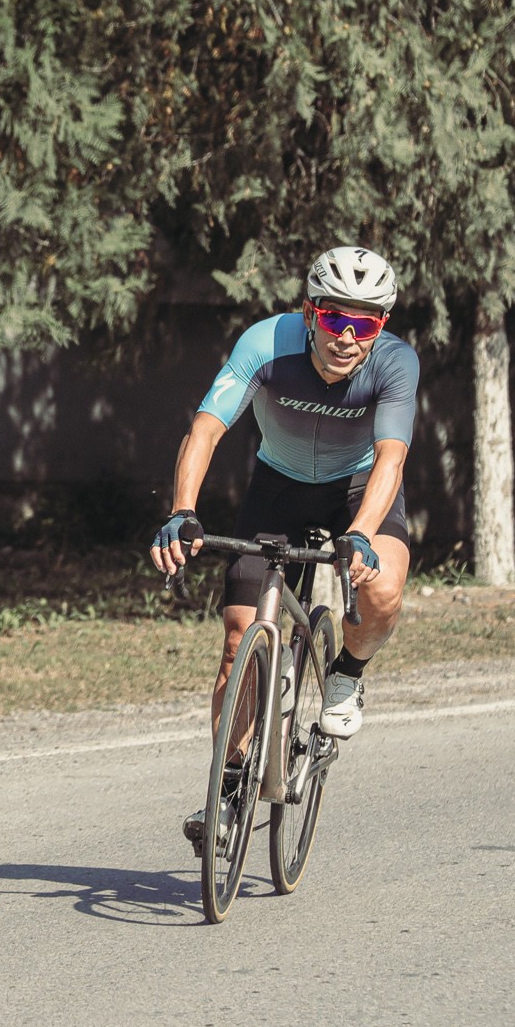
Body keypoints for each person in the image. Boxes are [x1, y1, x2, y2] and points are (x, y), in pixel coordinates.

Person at [148, 246, 418, 852]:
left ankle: (347, 672)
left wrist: (361, 534)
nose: (347, 337)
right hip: (279, 486)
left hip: (357, 488)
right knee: (238, 640)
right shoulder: (267, 342)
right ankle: (227, 791)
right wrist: (183, 510)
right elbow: (206, 427)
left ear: (381, 326)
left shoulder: (396, 362)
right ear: (309, 311)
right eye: (334, 318)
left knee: (382, 589)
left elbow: (392, 457)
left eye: (364, 324)